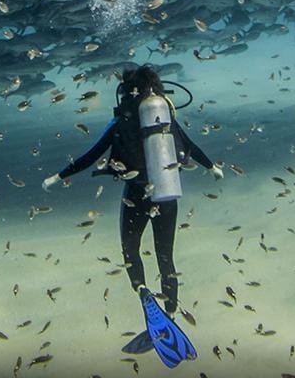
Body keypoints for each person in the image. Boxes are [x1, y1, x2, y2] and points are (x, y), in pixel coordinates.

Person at [41, 64, 221, 318]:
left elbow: (92, 156)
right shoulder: (163, 120)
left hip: (136, 196)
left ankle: (143, 292)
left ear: (126, 92)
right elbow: (191, 145)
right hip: (167, 193)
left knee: (130, 249)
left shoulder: (121, 122)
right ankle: (170, 311)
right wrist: (212, 167)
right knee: (165, 255)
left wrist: (58, 176)